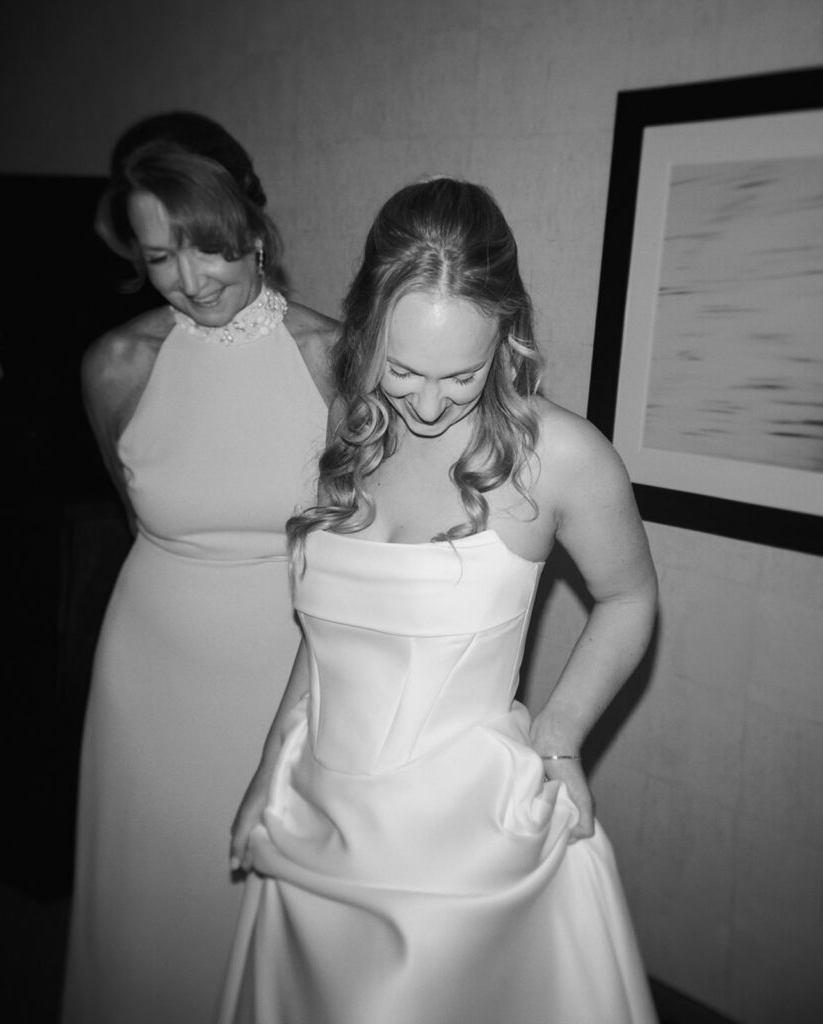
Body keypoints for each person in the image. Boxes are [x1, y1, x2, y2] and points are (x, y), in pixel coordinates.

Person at [219, 177, 659, 1024]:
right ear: (364, 331)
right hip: (316, 816)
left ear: (508, 333)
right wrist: (264, 775)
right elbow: (326, 638)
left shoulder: (559, 456)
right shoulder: (354, 428)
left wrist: (560, 738)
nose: (424, 405)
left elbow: (629, 598)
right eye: (401, 368)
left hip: (463, 850)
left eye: (462, 373)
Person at [61, 113, 337, 1024]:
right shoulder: (116, 364)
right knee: (146, 911)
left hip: (288, 668)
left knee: (273, 905)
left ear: (251, 223)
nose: (191, 281)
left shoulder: (332, 358)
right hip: (149, 673)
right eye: (159, 259)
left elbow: (364, 536)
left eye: (208, 248)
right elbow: (137, 503)